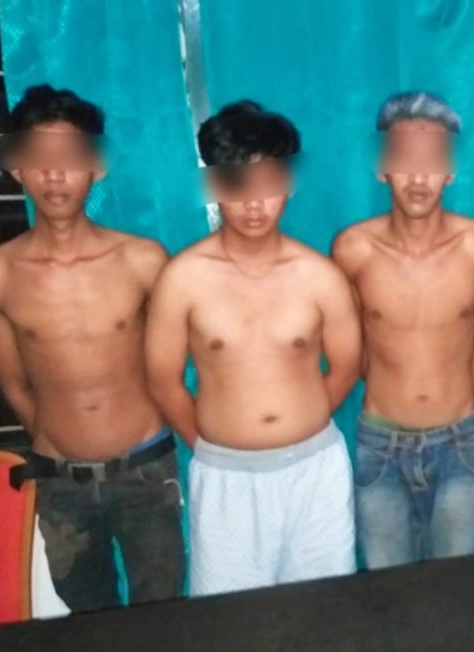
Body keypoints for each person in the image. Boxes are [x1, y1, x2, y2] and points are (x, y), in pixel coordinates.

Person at [0, 84, 184, 611]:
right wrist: (62, 446)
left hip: (145, 472)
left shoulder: (143, 260)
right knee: (85, 626)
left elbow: (172, 361)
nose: (55, 174)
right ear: (17, 169)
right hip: (60, 482)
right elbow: (13, 382)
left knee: (163, 618)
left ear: (97, 168)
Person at [146, 101, 362, 596]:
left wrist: (300, 421)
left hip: (315, 473)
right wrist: (213, 448)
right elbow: (162, 379)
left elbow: (348, 364)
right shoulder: (182, 279)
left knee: (322, 611)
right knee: (232, 623)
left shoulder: (320, 276)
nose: (254, 202)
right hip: (226, 480)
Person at [332, 92, 474, 569]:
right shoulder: (353, 249)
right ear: (381, 168)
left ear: (450, 171)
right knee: (388, 585)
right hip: (380, 442)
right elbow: (349, 346)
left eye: (432, 161)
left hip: (458, 442)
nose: (418, 176)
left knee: (454, 581)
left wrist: (456, 408)